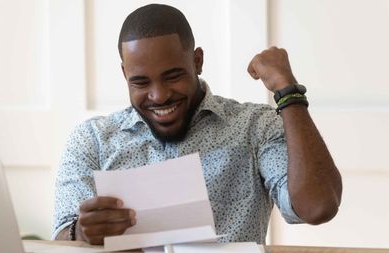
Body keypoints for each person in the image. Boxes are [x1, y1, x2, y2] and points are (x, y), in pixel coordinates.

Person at [53, 3, 342, 245]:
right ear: (124, 73)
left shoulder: (255, 127)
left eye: (173, 76)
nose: (159, 95)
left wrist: (287, 90)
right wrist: (82, 231)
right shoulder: (92, 139)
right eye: (140, 82)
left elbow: (316, 206)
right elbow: (62, 237)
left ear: (198, 61)